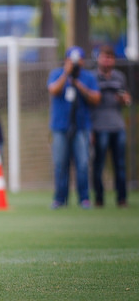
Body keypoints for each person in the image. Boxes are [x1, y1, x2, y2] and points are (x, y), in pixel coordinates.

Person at [47, 46, 101, 209]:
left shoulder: (88, 77)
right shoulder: (57, 73)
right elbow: (53, 90)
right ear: (66, 60)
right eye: (71, 60)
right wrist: (66, 74)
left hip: (82, 127)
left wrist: (78, 84)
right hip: (60, 127)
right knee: (60, 164)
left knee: (83, 164)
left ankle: (84, 198)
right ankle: (60, 199)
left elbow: (96, 98)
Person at [91, 45, 132, 207]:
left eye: (110, 58)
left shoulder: (120, 77)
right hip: (99, 126)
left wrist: (125, 100)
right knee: (98, 165)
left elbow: (127, 99)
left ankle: (122, 199)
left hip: (118, 126)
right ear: (98, 58)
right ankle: (99, 199)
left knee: (120, 165)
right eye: (104, 57)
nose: (107, 61)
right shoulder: (92, 77)